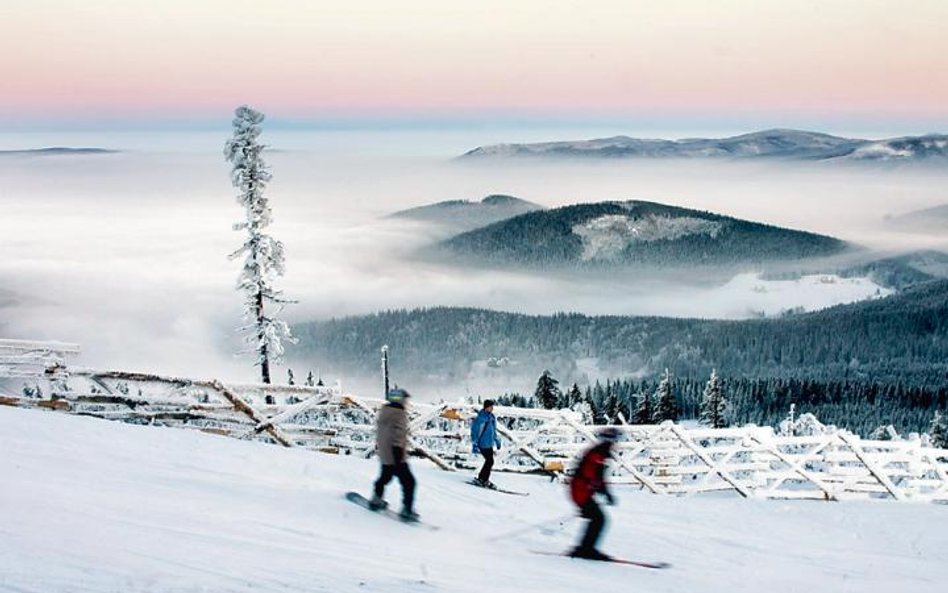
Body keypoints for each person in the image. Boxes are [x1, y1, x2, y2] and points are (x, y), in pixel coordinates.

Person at [568, 427, 620, 560]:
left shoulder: (601, 453)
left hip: (582, 491)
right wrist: (603, 492)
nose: (616, 443)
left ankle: (584, 548)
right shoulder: (597, 454)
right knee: (599, 519)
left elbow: (598, 478)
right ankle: (586, 549)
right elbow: (592, 476)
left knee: (597, 519)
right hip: (580, 492)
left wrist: (604, 492)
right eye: (615, 440)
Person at [369, 387, 418, 522]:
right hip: (396, 454)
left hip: (385, 453)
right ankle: (407, 510)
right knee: (409, 482)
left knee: (385, 477)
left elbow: (382, 433)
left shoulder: (384, 411)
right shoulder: (399, 414)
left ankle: (376, 498)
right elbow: (398, 435)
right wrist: (399, 456)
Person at [470, 399, 502, 488]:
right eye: (491, 406)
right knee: (490, 461)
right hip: (483, 443)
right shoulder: (480, 418)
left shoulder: (492, 417)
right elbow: (475, 431)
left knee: (490, 461)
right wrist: (475, 443)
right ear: (486, 407)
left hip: (490, 443)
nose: (492, 408)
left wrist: (497, 440)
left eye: (492, 407)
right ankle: (484, 479)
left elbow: (493, 430)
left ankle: (482, 478)